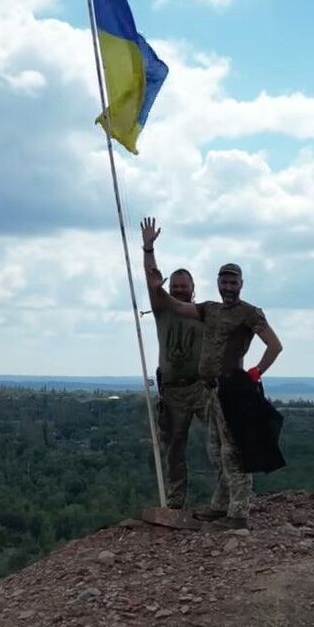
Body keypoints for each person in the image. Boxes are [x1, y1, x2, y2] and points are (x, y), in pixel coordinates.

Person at [141, 217, 282, 529]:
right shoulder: (210, 310)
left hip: (231, 389)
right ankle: (220, 505)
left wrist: (255, 373)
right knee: (217, 451)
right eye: (224, 281)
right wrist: (149, 254)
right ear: (217, 283)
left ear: (240, 285)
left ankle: (239, 512)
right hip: (208, 389)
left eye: (233, 282)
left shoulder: (249, 313)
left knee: (233, 451)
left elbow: (275, 345)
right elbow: (167, 301)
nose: (228, 286)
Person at [140, 218, 205, 511]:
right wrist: (149, 247)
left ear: (193, 288)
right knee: (174, 448)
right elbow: (152, 279)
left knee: (221, 441)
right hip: (173, 391)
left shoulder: (203, 312)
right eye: (175, 285)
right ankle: (176, 503)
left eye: (184, 286)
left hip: (202, 388)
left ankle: (229, 498)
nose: (179, 290)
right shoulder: (162, 310)